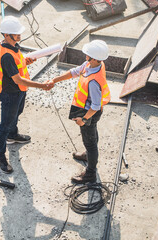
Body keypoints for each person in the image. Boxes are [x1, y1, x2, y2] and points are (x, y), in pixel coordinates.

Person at [0, 16, 53, 174]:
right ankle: (0, 156)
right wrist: (41, 86)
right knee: (4, 125)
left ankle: (13, 135)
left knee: (16, 114)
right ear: (6, 35)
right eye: (16, 34)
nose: (19, 36)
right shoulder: (6, 55)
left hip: (18, 91)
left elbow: (17, 63)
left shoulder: (13, 46)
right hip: (10, 93)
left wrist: (25, 61)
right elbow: (18, 79)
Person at [50, 40, 111, 184]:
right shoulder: (93, 65)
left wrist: (83, 119)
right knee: (91, 138)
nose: (85, 57)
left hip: (89, 112)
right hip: (87, 109)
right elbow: (75, 71)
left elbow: (95, 106)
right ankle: (89, 155)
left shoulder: (94, 81)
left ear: (95, 58)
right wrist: (55, 80)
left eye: (88, 55)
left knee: (90, 141)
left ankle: (90, 173)